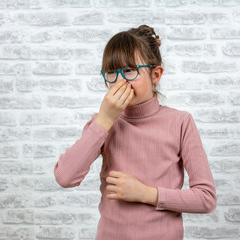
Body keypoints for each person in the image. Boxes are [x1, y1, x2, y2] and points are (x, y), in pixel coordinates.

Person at [53, 24, 217, 240]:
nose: (120, 81)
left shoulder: (180, 122)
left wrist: (146, 193)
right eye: (111, 72)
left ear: (155, 74)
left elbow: (205, 199)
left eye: (130, 70)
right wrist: (104, 120)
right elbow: (65, 177)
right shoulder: (102, 124)